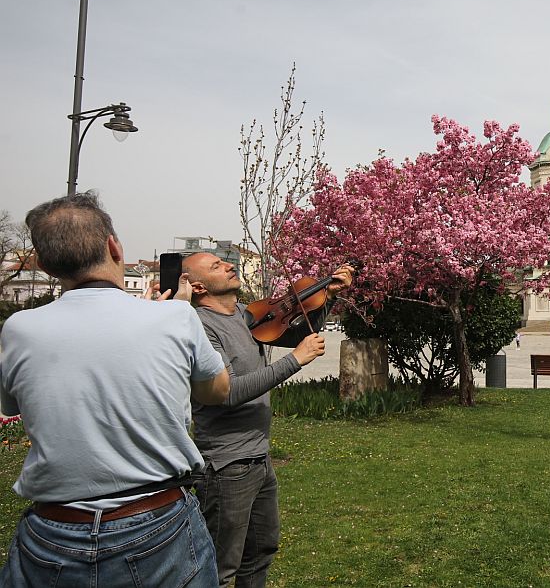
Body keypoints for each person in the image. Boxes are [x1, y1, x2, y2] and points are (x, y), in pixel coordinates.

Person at [0, 192, 230, 587]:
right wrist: (170, 316)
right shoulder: (175, 316)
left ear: (42, 264)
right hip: (158, 524)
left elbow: (15, 403)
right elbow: (217, 390)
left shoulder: (19, 329)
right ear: (114, 246)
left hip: (53, 531)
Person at [183, 252, 353, 588]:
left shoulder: (245, 316)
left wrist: (327, 296)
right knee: (219, 568)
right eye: (216, 266)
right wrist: (295, 362)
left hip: (258, 458)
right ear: (198, 286)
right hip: (226, 465)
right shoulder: (201, 328)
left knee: (260, 552)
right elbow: (226, 392)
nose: (229, 266)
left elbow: (300, 332)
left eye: (225, 261)